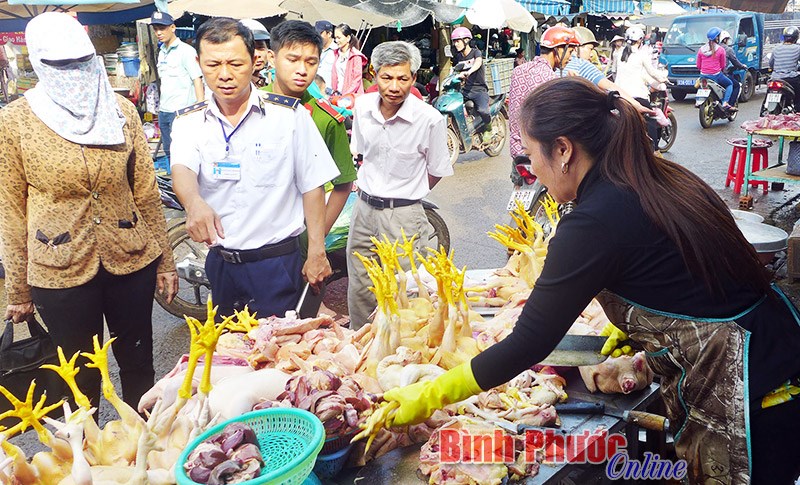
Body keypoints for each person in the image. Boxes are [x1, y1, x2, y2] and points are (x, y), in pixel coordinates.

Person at [367, 77, 800, 484]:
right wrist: (632, 322)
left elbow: (527, 345)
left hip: (752, 397)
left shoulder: (594, 222)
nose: (531, 168)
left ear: (562, 150)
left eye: (530, 154)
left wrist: (428, 395)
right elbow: (689, 277)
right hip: (781, 356)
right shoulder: (659, 176)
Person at [0, 12, 178, 409]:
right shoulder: (15, 121)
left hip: (131, 259)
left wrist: (166, 262)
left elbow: (146, 192)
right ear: (40, 63)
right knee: (78, 377)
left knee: (138, 363)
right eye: (61, 65)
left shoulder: (120, 112)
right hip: (58, 269)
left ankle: (144, 450)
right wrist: (18, 288)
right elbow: (11, 210)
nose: (74, 73)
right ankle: (90, 458)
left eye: (82, 61)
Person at [170, 17, 339, 319]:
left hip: (276, 265)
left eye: (235, 64)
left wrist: (316, 251)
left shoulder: (289, 117)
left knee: (281, 356)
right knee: (229, 353)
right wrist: (193, 202)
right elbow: (182, 168)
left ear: (255, 59)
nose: (224, 75)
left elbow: (312, 187)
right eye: (213, 65)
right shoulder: (188, 122)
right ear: (198, 63)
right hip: (221, 265)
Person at [347, 41, 453, 329]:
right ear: (374, 74)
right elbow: (361, 153)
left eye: (403, 78)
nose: (394, 86)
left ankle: (404, 349)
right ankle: (362, 344)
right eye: (387, 77)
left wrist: (407, 195)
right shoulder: (362, 107)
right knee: (360, 284)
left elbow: (436, 170)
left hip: (404, 216)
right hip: (364, 210)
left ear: (413, 78)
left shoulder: (429, 119)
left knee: (405, 288)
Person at [262, 20, 357, 239]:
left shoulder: (326, 119)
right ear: (272, 58)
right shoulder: (249, 107)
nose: (302, 70)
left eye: (311, 62)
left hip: (298, 237)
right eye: (293, 60)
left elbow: (343, 183)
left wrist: (316, 237)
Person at [508, 26, 580, 185]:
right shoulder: (550, 79)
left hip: (517, 152)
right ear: (558, 50)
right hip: (541, 154)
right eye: (569, 52)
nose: (570, 58)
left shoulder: (519, 71)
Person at [150, 10, 204, 162]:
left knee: (184, 154)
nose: (159, 32)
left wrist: (199, 106)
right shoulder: (161, 52)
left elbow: (197, 78)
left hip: (181, 111)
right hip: (164, 111)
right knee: (169, 154)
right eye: (156, 29)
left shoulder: (186, 51)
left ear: (172, 28)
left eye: (162, 28)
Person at [614, 26, 668, 151]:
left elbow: (629, 72)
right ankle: (655, 151)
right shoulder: (641, 54)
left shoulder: (618, 53)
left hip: (619, 95)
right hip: (637, 96)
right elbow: (652, 73)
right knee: (651, 120)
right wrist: (663, 78)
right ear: (639, 40)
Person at [451, 27, 492, 134]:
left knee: (483, 110)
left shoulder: (476, 52)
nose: (456, 44)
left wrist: (469, 72)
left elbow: (478, 62)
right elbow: (455, 70)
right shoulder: (458, 57)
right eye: (454, 41)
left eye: (458, 41)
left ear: (466, 40)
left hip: (479, 90)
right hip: (465, 90)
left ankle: (488, 128)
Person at [696, 27, 736, 112]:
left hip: (703, 75)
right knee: (730, 84)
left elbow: (698, 65)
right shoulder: (721, 50)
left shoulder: (701, 50)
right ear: (717, 38)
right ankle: (725, 102)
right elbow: (723, 65)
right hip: (716, 75)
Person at [769, 26, 800, 110]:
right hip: (790, 78)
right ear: (796, 38)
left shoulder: (776, 48)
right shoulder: (798, 48)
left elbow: (771, 63)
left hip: (775, 78)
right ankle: (798, 111)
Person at [331, 23, 367, 96]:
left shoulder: (356, 56)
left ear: (348, 38)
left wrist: (346, 94)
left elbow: (357, 79)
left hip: (351, 97)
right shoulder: (336, 53)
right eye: (335, 38)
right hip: (337, 94)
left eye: (339, 37)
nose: (336, 40)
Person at [240, 18, 270, 88]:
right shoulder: (238, 88)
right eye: (250, 49)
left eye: (260, 48)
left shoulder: (266, 82)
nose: (256, 54)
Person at [720, 30, 747, 104]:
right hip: (721, 74)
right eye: (728, 39)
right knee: (736, 86)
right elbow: (735, 61)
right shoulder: (728, 49)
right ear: (725, 40)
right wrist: (742, 66)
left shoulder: (713, 49)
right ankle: (729, 105)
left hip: (708, 74)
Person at [315, 20, 336, 89]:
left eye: (320, 33)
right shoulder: (315, 48)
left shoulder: (337, 51)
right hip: (312, 88)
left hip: (327, 93)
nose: (317, 36)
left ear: (329, 34)